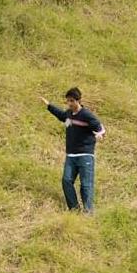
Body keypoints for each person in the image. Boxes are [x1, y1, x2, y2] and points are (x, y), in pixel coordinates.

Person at [40, 87, 105, 215]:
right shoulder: (69, 114)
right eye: (67, 101)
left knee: (86, 185)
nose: (69, 104)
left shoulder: (86, 115)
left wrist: (99, 135)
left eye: (72, 101)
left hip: (85, 155)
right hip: (71, 155)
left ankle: (88, 212)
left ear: (78, 101)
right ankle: (74, 210)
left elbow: (100, 128)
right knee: (66, 181)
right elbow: (61, 115)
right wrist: (48, 105)